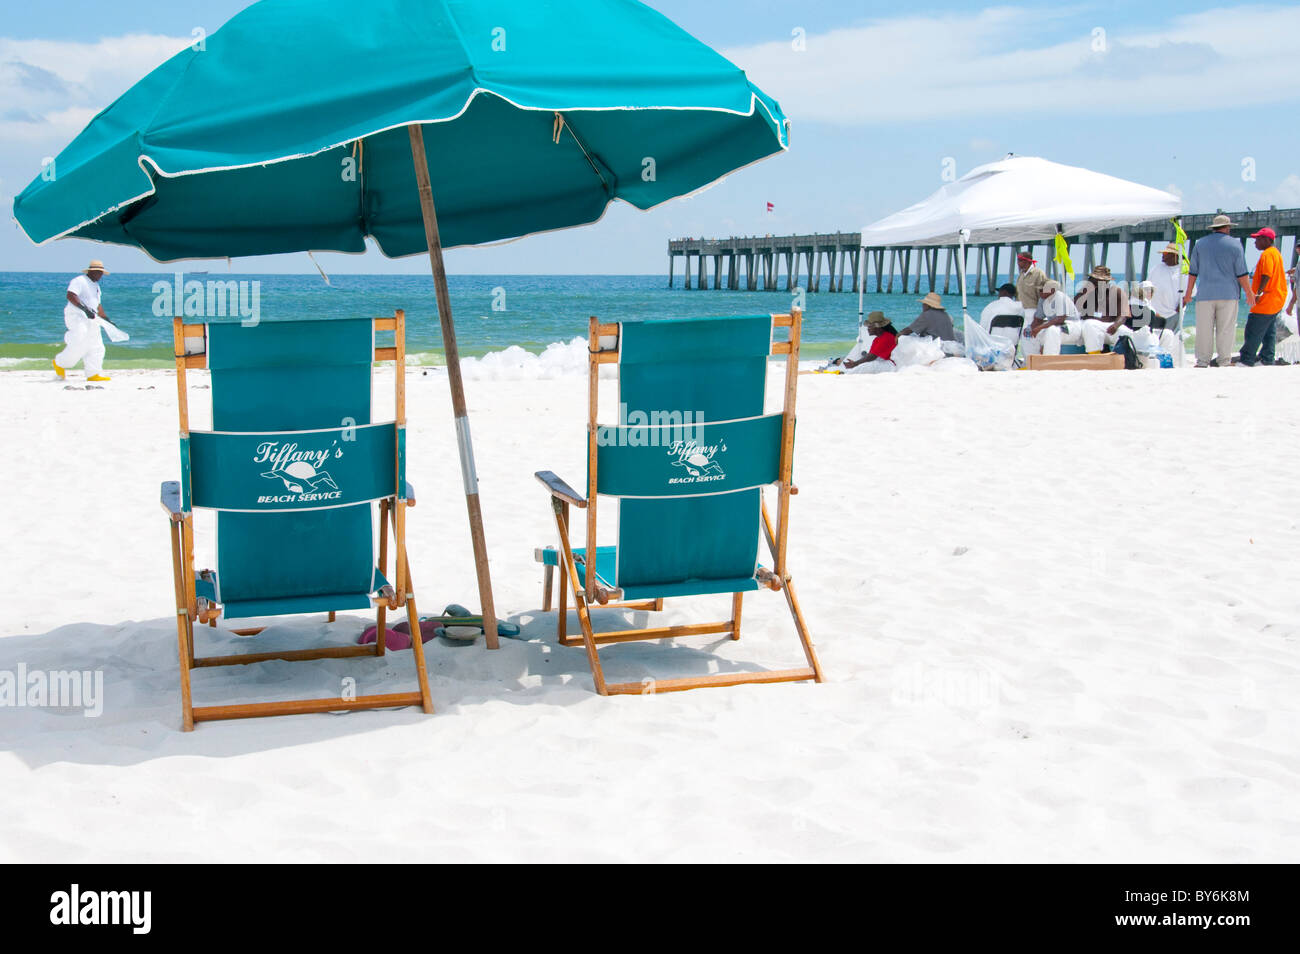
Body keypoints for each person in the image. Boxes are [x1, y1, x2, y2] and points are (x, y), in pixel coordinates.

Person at [1184, 214, 1253, 368]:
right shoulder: (1235, 245)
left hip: (1205, 294)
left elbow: (1193, 272)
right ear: (1227, 228)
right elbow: (1241, 273)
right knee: (1226, 329)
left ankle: (1202, 361)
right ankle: (1224, 361)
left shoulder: (1200, 244)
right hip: (1228, 294)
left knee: (1204, 329)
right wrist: (1248, 292)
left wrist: (1188, 293)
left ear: (1214, 228)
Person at [55, 260, 113, 382]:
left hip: (92, 318)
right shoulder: (79, 281)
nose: (100, 275)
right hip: (77, 316)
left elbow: (97, 304)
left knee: (97, 346)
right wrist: (84, 309)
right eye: (98, 272)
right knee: (79, 340)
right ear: (92, 271)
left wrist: (106, 319)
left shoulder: (96, 286)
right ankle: (59, 363)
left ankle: (93, 374)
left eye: (101, 273)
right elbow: (71, 295)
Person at [1240, 227, 1288, 366]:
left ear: (1267, 240)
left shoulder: (1267, 254)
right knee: (1268, 330)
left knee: (1253, 328)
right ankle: (1267, 358)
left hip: (1267, 298)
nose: (1255, 242)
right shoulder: (1276, 253)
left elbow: (1266, 274)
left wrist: (1258, 293)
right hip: (1277, 298)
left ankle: (1247, 359)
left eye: (1258, 239)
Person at [1073, 265, 1133, 353]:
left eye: (1098, 280)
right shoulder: (1088, 292)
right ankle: (1095, 354)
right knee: (1089, 324)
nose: (1095, 282)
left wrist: (1116, 325)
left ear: (1106, 281)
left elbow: (1124, 315)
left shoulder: (1117, 291)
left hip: (1110, 327)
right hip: (1091, 328)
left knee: (1128, 334)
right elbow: (1074, 306)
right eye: (1093, 279)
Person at [1147, 243, 1189, 365]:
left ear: (1175, 256)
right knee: (1156, 336)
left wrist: (1181, 305)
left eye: (1166, 255)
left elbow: (1189, 293)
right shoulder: (1157, 268)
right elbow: (1148, 287)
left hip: (1173, 312)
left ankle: (1173, 361)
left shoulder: (1183, 271)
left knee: (1173, 337)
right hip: (1156, 311)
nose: (1163, 257)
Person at [1023, 279, 1086, 355]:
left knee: (1052, 331)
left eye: (1042, 290)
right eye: (1039, 290)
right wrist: (1030, 328)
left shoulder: (1060, 296)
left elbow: (1059, 319)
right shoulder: (1042, 300)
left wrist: (1039, 328)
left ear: (1052, 290)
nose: (1039, 292)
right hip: (1056, 326)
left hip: (1071, 326)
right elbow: (1038, 320)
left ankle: (1050, 359)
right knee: (1030, 333)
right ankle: (1033, 359)